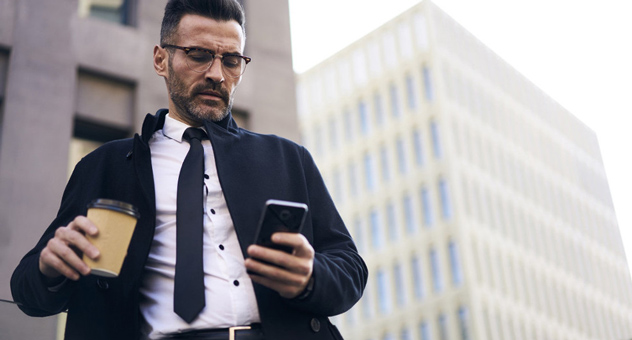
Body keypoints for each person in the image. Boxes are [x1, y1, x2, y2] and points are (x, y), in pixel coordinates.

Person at [10, 0, 368, 339]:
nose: (216, 74)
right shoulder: (104, 167)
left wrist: (310, 276)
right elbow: (28, 292)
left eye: (231, 61)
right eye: (199, 55)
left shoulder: (287, 158)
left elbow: (350, 269)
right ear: (160, 59)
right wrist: (49, 267)